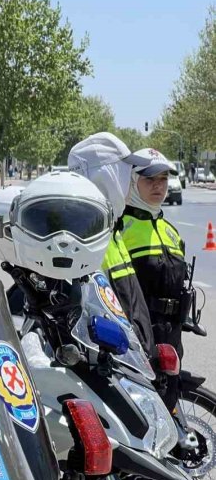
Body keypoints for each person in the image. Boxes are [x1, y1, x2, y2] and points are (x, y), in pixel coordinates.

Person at [68, 132, 155, 357]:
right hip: (109, 366)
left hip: (134, 362)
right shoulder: (81, 235)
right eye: (126, 173)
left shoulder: (111, 227)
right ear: (107, 176)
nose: (130, 184)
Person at [121, 148, 189, 408]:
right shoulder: (120, 227)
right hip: (138, 334)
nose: (158, 186)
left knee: (169, 402)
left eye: (163, 179)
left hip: (171, 335)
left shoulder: (169, 230)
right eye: (150, 180)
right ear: (131, 181)